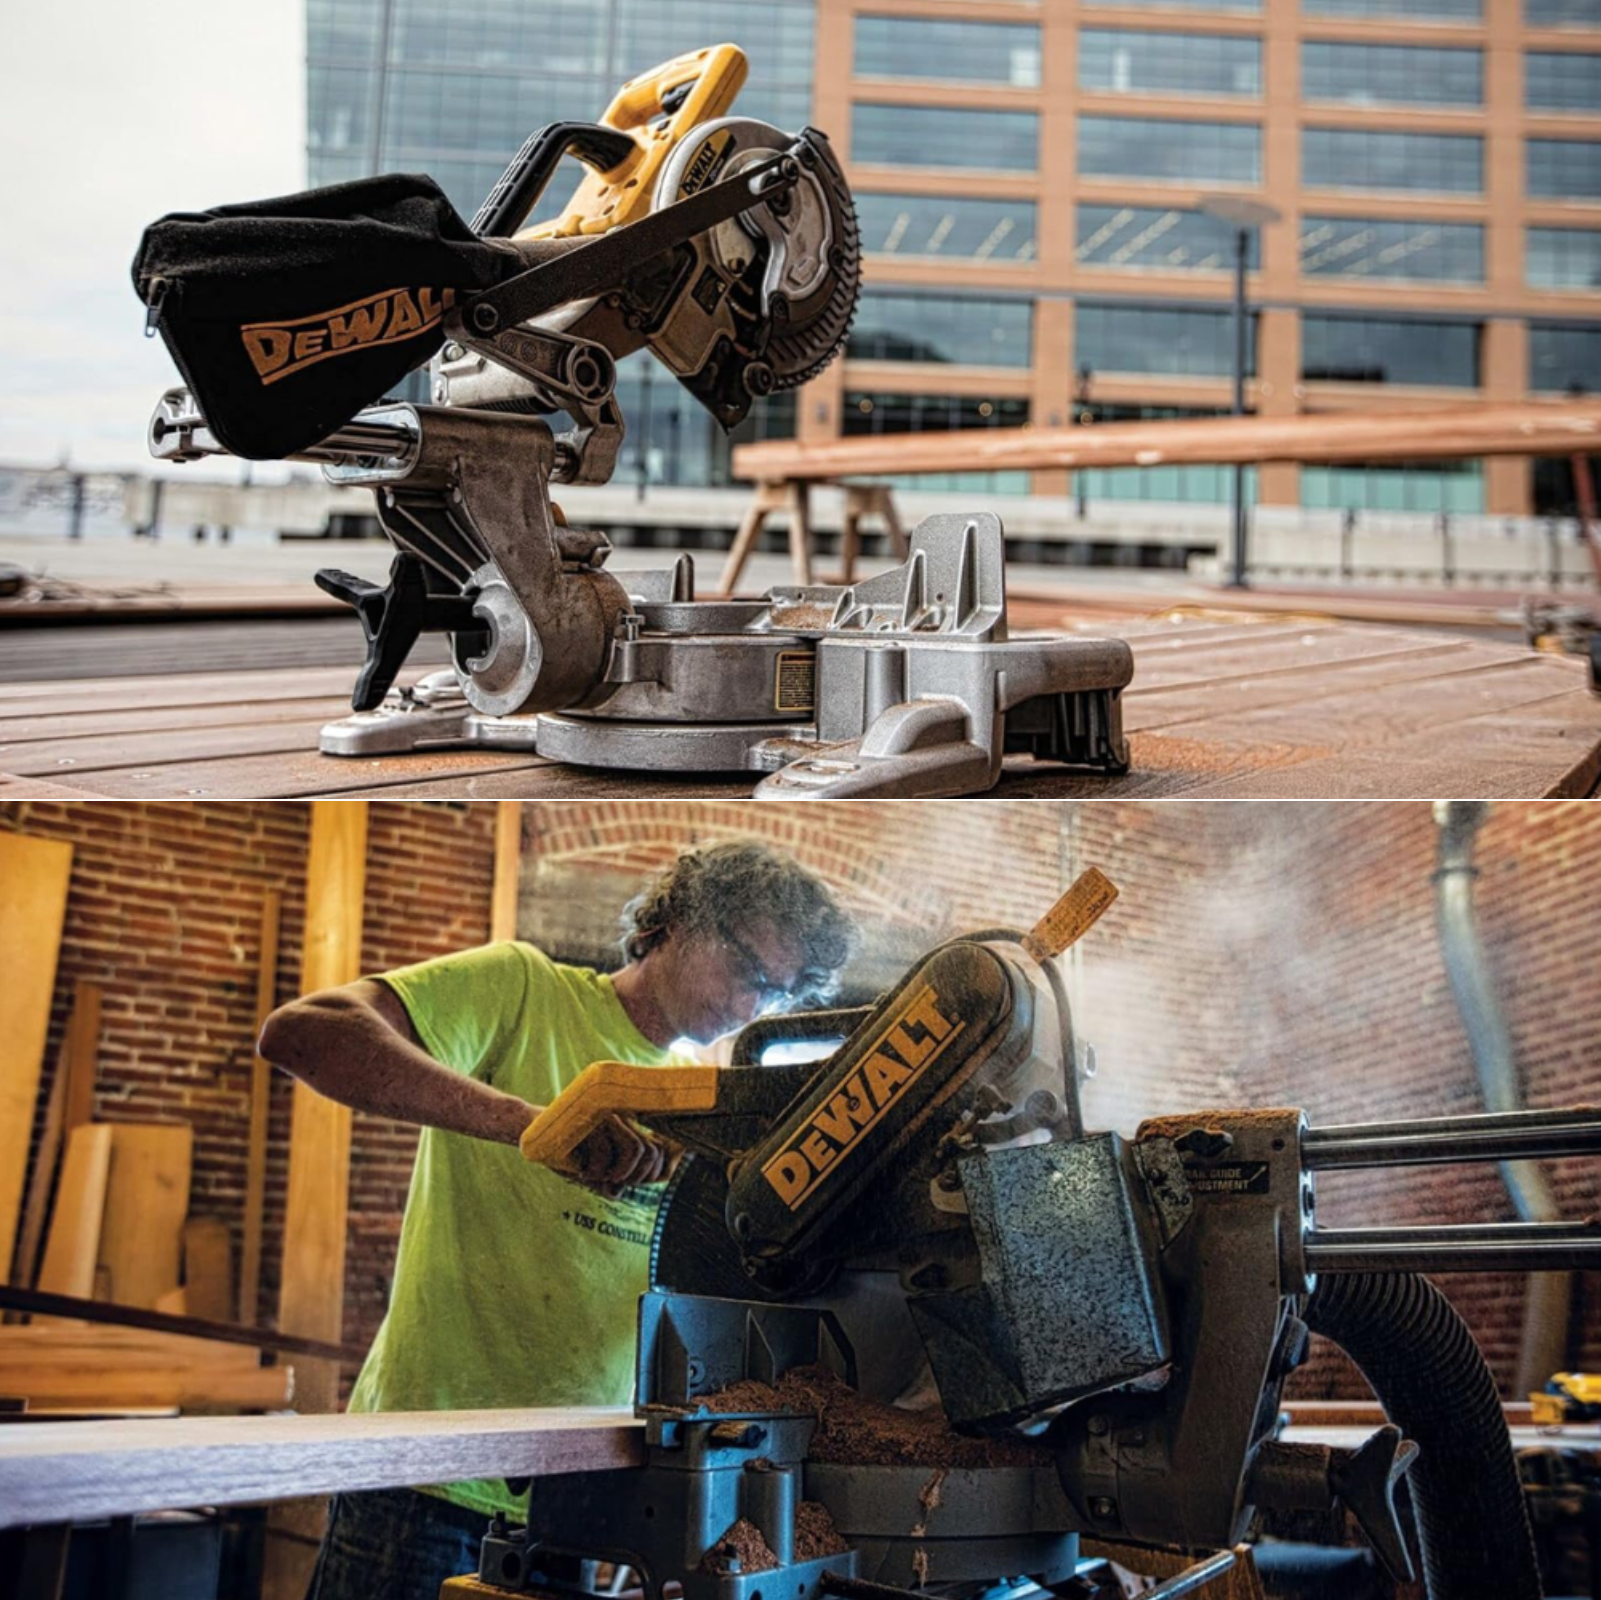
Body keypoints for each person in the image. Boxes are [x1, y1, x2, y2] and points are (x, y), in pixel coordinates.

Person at [258, 841, 856, 1600]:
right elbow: (305, 1031)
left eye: (772, 993)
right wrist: (535, 1125)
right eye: (745, 971)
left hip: (577, 1490)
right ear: (675, 921)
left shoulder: (700, 1102)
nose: (747, 1007)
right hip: (429, 1471)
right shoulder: (524, 989)